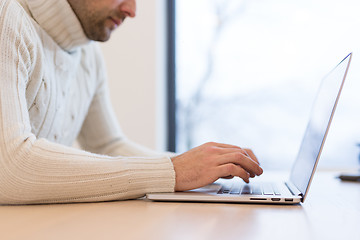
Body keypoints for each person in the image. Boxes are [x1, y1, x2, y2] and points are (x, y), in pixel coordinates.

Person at [0, 0, 263, 204]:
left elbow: (108, 145)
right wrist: (172, 171)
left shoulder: (87, 54)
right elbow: (8, 168)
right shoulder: (6, 18)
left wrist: (200, 170)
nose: (132, 9)